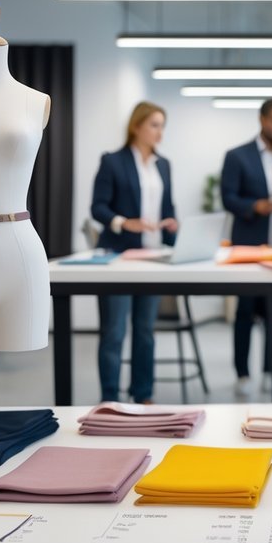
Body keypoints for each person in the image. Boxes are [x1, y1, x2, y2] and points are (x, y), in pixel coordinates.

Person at [90, 100, 178, 404]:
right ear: (136, 126)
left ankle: (143, 394)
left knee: (145, 330)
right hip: (119, 258)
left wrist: (171, 224)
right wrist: (124, 223)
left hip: (153, 258)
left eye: (162, 126)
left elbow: (168, 207)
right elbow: (98, 207)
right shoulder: (113, 161)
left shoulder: (163, 165)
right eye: (154, 125)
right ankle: (110, 398)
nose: (159, 132)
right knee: (114, 331)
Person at [220, 98, 272, 396]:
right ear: (262, 120)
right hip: (248, 249)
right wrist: (257, 206)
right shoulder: (237, 156)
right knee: (244, 312)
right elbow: (228, 198)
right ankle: (242, 373)